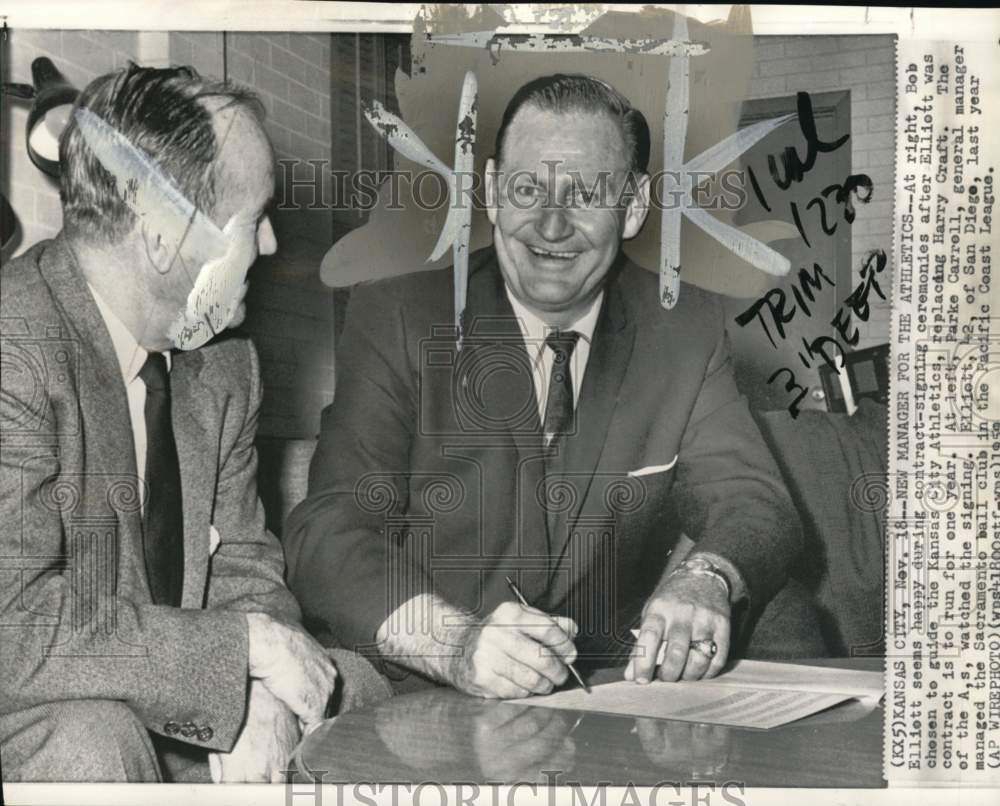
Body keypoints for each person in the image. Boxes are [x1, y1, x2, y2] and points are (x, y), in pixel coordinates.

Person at [285, 74, 819, 700]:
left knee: (782, 608)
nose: (551, 225)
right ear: (488, 191)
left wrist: (705, 577)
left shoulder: (683, 329)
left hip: (606, 681)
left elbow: (751, 496)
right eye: (526, 188)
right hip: (440, 686)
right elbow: (326, 530)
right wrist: (454, 644)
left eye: (586, 193)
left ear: (635, 207)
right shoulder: (401, 317)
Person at [0, 64, 388, 783]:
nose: (270, 246)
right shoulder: (13, 345)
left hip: (165, 695)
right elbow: (13, 623)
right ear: (162, 240)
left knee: (360, 689)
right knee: (92, 741)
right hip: (38, 705)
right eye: (253, 222)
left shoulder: (226, 365)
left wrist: (257, 699)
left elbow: (245, 562)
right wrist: (241, 651)